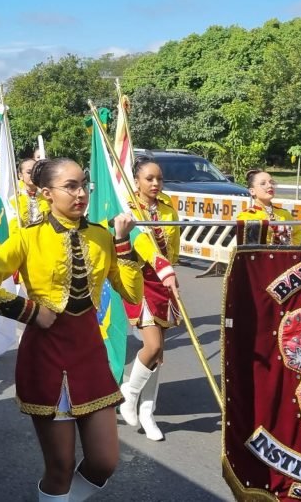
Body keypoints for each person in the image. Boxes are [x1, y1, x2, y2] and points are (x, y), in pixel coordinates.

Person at [0, 158, 143, 501]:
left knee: (105, 461)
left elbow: (132, 293)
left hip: (89, 354)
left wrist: (123, 243)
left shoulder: (102, 237)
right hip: (46, 355)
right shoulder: (28, 238)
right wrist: (29, 311)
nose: (80, 193)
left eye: (82, 185)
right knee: (60, 467)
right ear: (46, 193)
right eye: (70, 186)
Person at [118, 155, 180, 442]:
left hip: (164, 282)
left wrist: (171, 271)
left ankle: (147, 412)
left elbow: (174, 245)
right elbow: (141, 243)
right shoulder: (130, 209)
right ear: (137, 181)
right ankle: (129, 395)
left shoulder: (168, 207)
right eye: (149, 178)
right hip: (140, 279)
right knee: (151, 345)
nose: (155, 183)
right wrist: (163, 268)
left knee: (159, 355)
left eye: (159, 178)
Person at [237, 170, 301, 246]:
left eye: (271, 182)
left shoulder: (284, 213)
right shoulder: (246, 216)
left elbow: (298, 232)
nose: (270, 186)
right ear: (252, 191)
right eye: (263, 183)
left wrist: (290, 248)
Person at [9, 157, 50, 235]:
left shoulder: (47, 195)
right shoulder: (14, 199)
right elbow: (13, 227)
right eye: (29, 172)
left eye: (35, 171)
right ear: (20, 176)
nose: (33, 175)